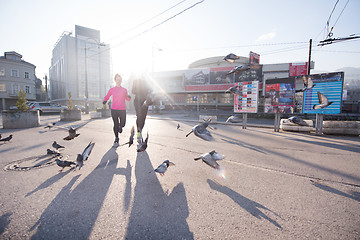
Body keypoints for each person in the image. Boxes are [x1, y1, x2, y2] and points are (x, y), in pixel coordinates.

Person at [103, 74, 131, 145]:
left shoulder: (124, 90)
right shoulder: (112, 90)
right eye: (117, 80)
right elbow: (107, 96)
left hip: (122, 109)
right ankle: (116, 137)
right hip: (114, 109)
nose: (119, 81)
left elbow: (127, 99)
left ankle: (120, 126)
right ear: (115, 80)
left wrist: (128, 97)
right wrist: (105, 100)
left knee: (123, 123)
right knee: (115, 124)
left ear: (121, 81)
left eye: (120, 80)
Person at [132, 76, 152, 149]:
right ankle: (138, 133)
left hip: (145, 102)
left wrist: (149, 91)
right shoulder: (135, 81)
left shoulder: (147, 82)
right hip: (137, 101)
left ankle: (139, 131)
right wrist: (140, 89)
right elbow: (133, 91)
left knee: (143, 118)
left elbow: (151, 90)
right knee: (139, 116)